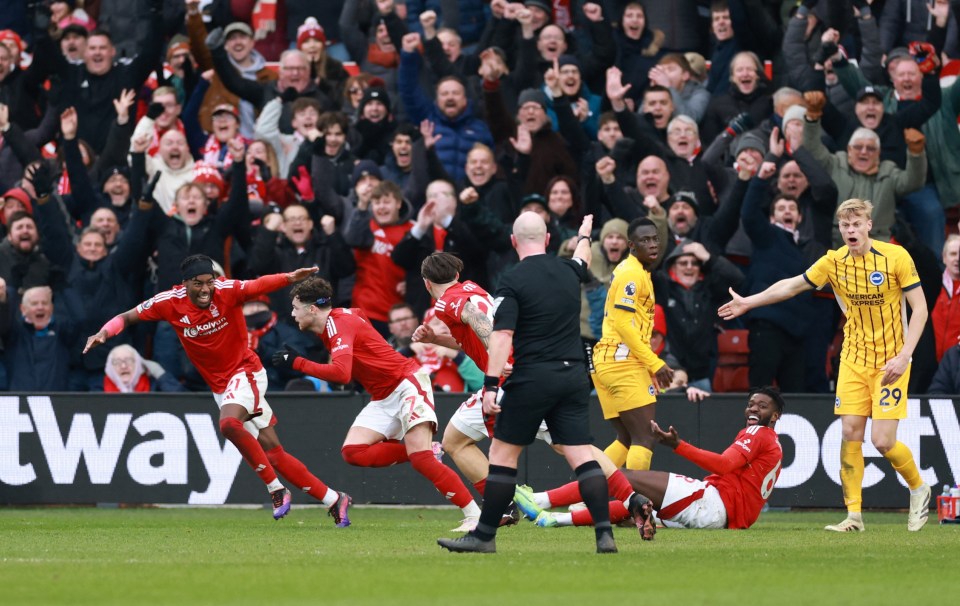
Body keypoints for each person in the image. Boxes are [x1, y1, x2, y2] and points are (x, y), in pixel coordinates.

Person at [83, 255, 353, 526]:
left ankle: (276, 489)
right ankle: (334, 498)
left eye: (209, 282)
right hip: (221, 386)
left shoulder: (227, 291)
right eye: (198, 284)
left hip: (245, 372)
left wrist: (289, 278)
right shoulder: (168, 302)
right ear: (185, 283)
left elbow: (258, 285)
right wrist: (104, 333)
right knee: (274, 453)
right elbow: (127, 317)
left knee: (228, 423)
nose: (205, 289)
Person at [719, 199, 932, 532]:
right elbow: (791, 285)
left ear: (868, 225)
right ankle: (854, 516)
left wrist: (904, 355)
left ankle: (919, 488)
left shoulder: (896, 256)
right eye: (845, 225)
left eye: (856, 224)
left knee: (883, 441)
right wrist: (749, 301)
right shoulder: (833, 262)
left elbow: (919, 309)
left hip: (891, 360)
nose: (850, 230)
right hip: (853, 358)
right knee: (849, 432)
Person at [437, 212, 618, 555]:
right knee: (581, 455)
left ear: (513, 241)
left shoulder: (512, 280)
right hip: (573, 375)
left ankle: (485, 536)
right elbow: (583, 257)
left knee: (503, 455)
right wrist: (584, 234)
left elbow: (502, 336)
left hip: (533, 377)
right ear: (548, 239)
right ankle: (604, 534)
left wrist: (490, 385)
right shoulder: (569, 269)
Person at [272, 276, 482, 528]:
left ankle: (474, 515)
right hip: (383, 395)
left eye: (296, 308)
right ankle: (430, 450)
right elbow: (360, 320)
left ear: (312, 309)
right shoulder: (343, 318)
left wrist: (297, 362)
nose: (293, 314)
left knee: (421, 460)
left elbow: (341, 373)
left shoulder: (338, 324)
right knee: (353, 452)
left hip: (406, 384)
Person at [620, 386, 785, 537]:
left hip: (712, 504)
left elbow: (723, 464)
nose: (754, 409)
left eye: (762, 406)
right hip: (720, 517)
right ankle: (599, 512)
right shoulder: (775, 445)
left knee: (621, 475)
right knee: (625, 511)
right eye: (751, 405)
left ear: (775, 416)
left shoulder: (759, 432)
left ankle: (595, 475)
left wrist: (678, 445)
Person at [592, 217, 674, 475]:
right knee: (645, 437)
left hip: (610, 359)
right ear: (631, 245)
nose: (652, 245)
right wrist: (654, 362)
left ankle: (584, 498)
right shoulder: (631, 273)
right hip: (622, 360)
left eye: (655, 239)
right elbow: (624, 324)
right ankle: (638, 507)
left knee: (626, 439)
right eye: (644, 240)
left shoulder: (635, 270)